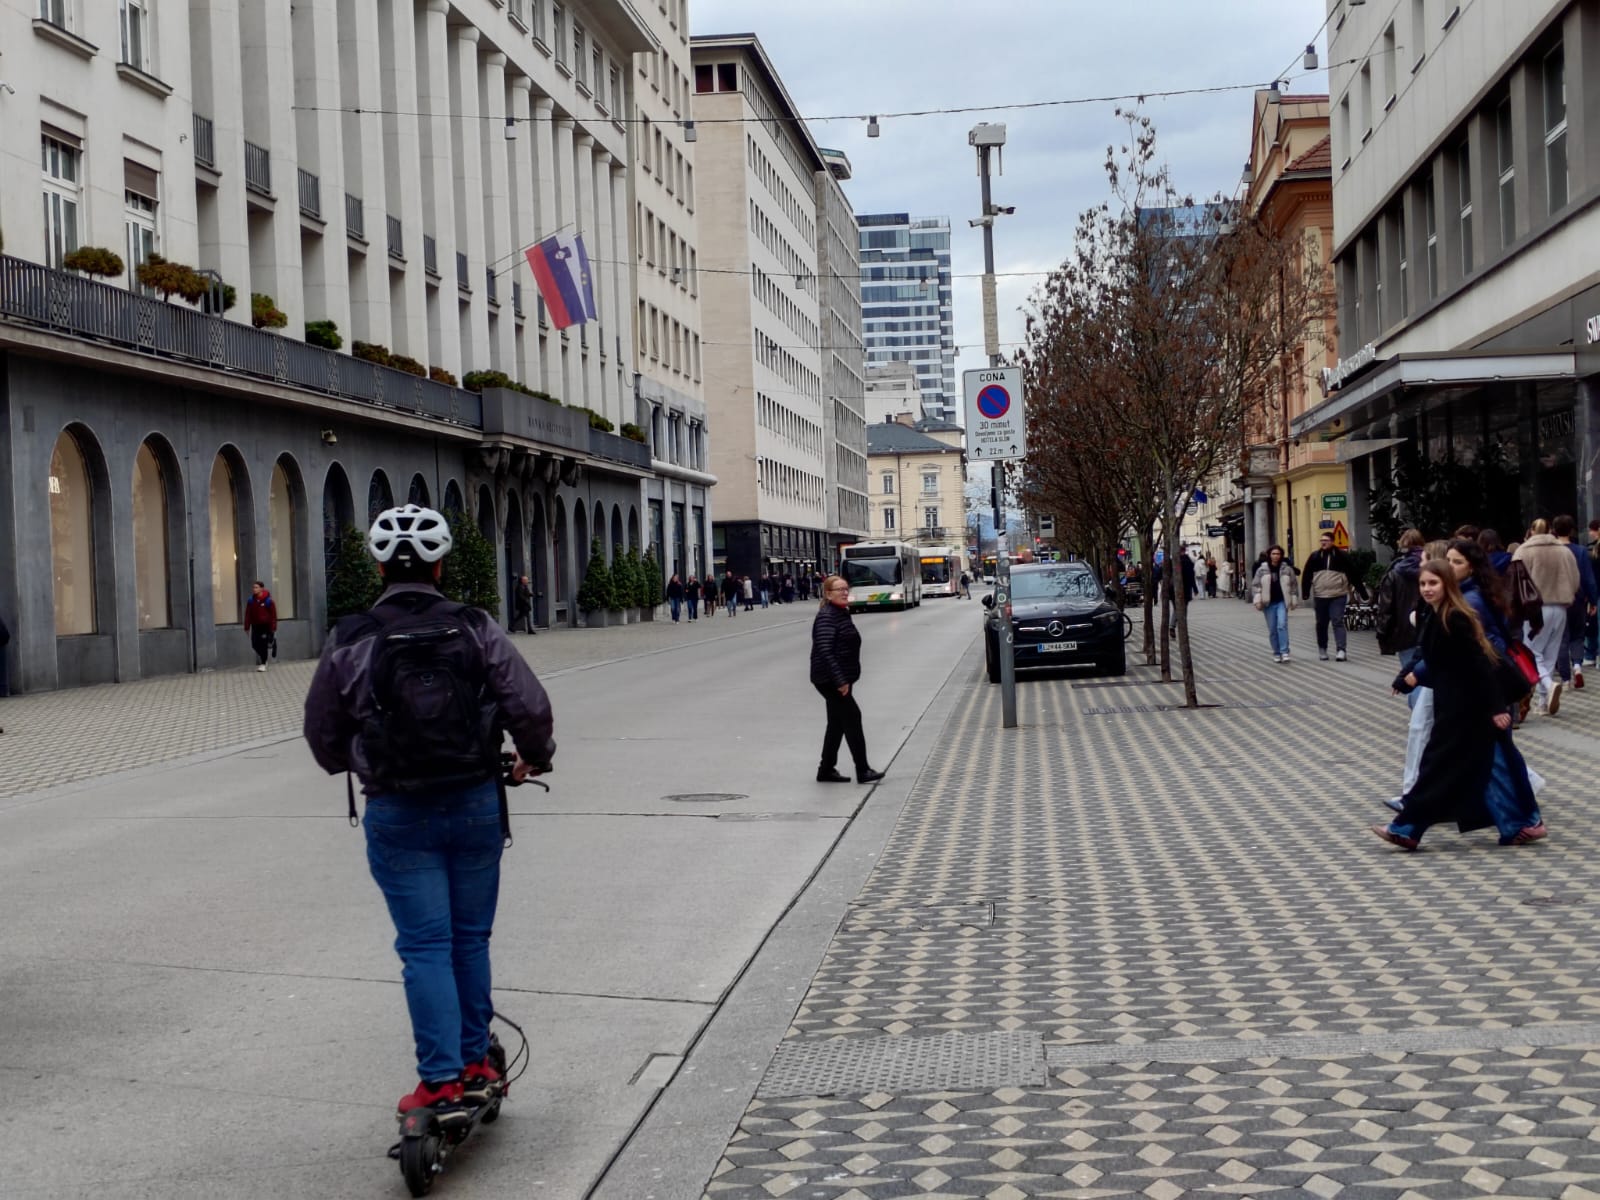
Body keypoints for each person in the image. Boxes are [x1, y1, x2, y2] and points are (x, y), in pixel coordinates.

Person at [303, 504, 556, 1123]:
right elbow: (527, 701)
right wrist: (533, 758)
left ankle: (439, 1081)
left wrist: (358, 762)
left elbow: (321, 732)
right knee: (470, 940)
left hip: (397, 807)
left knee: (423, 946)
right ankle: (476, 1063)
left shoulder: (353, 636)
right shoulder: (473, 626)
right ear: (441, 565)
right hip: (473, 801)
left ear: (381, 564)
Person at [1373, 558, 1542, 850]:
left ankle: (1406, 828)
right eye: (1423, 584)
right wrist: (1407, 677)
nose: (1427, 589)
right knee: (1487, 765)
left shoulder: (1455, 617)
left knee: (1438, 767)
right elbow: (1433, 658)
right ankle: (1519, 823)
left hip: (1467, 707)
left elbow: (1480, 664)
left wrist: (1497, 708)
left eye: (1433, 583)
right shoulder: (1436, 613)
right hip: (1456, 705)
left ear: (1447, 585)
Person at [810, 575, 884, 786]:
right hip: (830, 680)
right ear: (827, 594)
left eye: (846, 589)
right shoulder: (827, 616)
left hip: (837, 678)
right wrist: (841, 681)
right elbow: (825, 651)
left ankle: (825, 770)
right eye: (839, 590)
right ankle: (863, 770)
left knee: (836, 723)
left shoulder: (841, 613)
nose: (844, 592)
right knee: (852, 718)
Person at [1513, 519, 1578, 715]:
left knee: (1532, 652)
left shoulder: (1523, 551)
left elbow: (1515, 581)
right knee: (1550, 652)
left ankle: (1548, 687)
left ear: (1531, 531)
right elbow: (1575, 579)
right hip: (1560, 606)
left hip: (1534, 609)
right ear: (1550, 530)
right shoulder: (1564, 551)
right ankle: (1543, 701)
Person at [1375, 529, 1426, 685]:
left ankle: (1417, 708)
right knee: (1425, 676)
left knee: (1409, 675)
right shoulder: (1433, 568)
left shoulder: (1395, 572)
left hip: (1404, 632)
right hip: (1428, 629)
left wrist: (1382, 632)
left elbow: (1386, 606)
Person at [1301, 531, 1361, 661]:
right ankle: (1322, 648)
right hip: (1320, 595)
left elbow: (1353, 572)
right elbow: (1307, 574)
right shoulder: (1315, 556)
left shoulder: (1341, 556)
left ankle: (1341, 650)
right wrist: (1305, 592)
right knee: (1321, 623)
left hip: (1338, 594)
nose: (1323, 542)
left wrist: (1363, 592)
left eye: (1326, 540)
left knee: (1337, 621)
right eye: (1321, 540)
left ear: (1332, 542)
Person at [1553, 515, 1595, 690]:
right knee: (1578, 635)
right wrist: (1593, 600)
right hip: (1577, 598)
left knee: (1562, 638)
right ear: (1571, 530)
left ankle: (1565, 678)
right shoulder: (1580, 551)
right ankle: (1577, 666)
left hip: (1556, 599)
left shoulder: (1552, 550)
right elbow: (1588, 578)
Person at [1251, 545, 1298, 662]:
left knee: (1281, 625)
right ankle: (1276, 652)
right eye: (1273, 554)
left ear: (1281, 555)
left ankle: (1284, 652)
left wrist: (1293, 599)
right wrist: (1257, 600)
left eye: (1278, 554)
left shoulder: (1287, 569)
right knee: (1272, 629)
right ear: (1269, 555)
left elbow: (1293, 585)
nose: (1276, 556)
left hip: (1282, 601)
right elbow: (1256, 585)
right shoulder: (1262, 570)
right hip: (1268, 602)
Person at [243, 580, 277, 672]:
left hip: (265, 626)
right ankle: (268, 650)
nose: (254, 589)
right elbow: (248, 614)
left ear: (261, 588)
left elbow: (273, 616)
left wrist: (273, 628)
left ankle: (263, 663)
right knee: (254, 644)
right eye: (253, 587)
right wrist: (246, 627)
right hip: (255, 626)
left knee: (263, 645)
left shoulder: (269, 601)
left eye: (256, 587)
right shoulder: (251, 600)